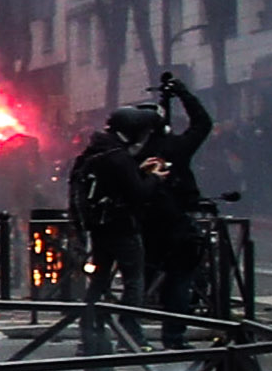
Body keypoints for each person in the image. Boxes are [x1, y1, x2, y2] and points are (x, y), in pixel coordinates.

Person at [73, 75, 222, 336]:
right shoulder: (170, 148)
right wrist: (185, 95)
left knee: (130, 279)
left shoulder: (121, 151)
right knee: (177, 278)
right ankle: (167, 335)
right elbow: (202, 124)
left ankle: (105, 329)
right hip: (171, 223)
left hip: (140, 225)